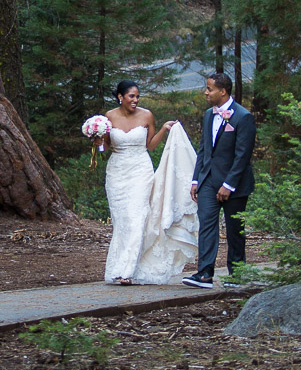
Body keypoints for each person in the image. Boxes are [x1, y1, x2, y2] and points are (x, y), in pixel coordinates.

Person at [100, 80, 199, 284]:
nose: (135, 100)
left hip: (140, 171)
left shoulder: (147, 115)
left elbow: (150, 146)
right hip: (117, 171)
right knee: (122, 221)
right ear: (120, 97)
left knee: (137, 216)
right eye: (131, 96)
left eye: (137, 96)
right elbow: (104, 149)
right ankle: (119, 266)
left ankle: (128, 271)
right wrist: (97, 140)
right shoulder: (109, 116)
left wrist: (162, 129)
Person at [183, 72, 256, 288]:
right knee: (206, 224)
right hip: (208, 180)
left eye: (209, 89)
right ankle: (204, 273)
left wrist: (229, 185)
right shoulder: (208, 115)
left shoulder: (243, 117)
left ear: (222, 91)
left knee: (235, 230)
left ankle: (237, 274)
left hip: (235, 184)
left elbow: (242, 155)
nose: (206, 92)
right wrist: (196, 179)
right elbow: (204, 149)